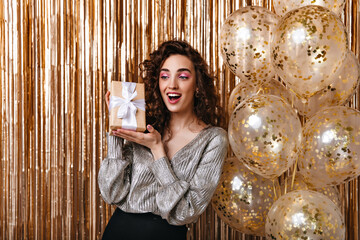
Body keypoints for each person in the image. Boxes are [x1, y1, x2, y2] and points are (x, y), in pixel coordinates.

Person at [98, 40, 228, 240]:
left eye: (183, 76)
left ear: (197, 85)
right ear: (158, 83)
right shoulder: (145, 126)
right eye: (164, 76)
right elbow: (112, 194)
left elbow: (186, 212)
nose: (172, 85)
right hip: (119, 231)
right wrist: (117, 129)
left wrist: (158, 151)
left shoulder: (213, 139)